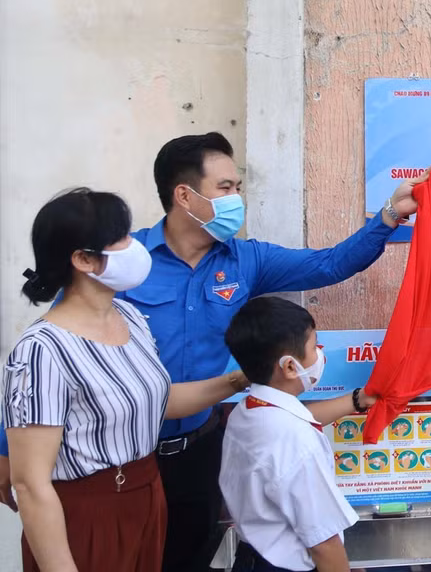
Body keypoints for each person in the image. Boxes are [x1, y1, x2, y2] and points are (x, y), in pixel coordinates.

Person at [0, 132, 431, 571]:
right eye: (225, 188)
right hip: (110, 469)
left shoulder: (244, 260)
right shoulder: (118, 276)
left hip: (194, 451)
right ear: (184, 195)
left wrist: (389, 215)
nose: (236, 198)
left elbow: (330, 264)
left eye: (238, 187)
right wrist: (8, 454)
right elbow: (45, 376)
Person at [2, 189, 250, 572]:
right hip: (88, 514)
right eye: (120, 238)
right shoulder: (43, 350)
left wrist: (236, 381)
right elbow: (32, 486)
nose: (134, 245)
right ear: (83, 259)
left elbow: (159, 401)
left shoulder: (129, 317)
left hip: (147, 496)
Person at [219, 296, 378, 572]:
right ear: (290, 366)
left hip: (253, 557)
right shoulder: (296, 441)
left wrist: (357, 400)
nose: (320, 353)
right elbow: (323, 543)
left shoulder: (249, 410)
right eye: (314, 346)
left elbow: (295, 423)